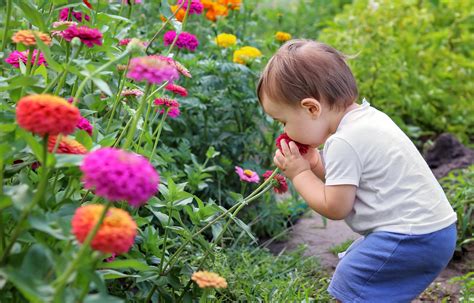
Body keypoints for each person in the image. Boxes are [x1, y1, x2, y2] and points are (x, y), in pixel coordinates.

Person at [257, 39, 457, 302]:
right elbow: (345, 179)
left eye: (284, 121)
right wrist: (315, 163)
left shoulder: (344, 141)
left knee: (351, 281)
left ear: (311, 108)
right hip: (433, 232)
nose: (285, 131)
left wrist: (299, 174)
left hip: (411, 237)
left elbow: (335, 206)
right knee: (370, 278)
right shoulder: (367, 119)